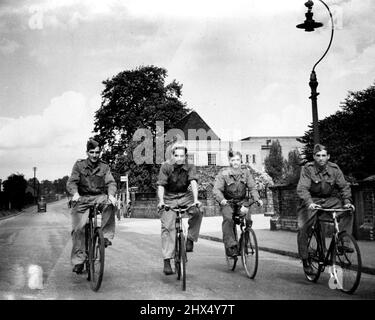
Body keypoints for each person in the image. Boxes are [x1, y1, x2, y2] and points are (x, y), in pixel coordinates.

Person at [296, 144, 355, 275]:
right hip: (310, 201)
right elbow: (302, 188)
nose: (321, 158)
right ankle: (305, 260)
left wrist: (347, 202)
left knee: (348, 210)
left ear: (328, 157)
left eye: (323, 155)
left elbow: (344, 187)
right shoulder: (308, 169)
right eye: (318, 156)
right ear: (314, 157)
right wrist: (309, 202)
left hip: (328, 201)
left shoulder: (334, 169)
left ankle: (343, 242)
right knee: (303, 228)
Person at [67, 138, 118, 274]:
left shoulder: (104, 166)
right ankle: (79, 261)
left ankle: (105, 236)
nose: (95, 155)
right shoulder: (79, 165)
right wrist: (75, 194)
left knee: (110, 204)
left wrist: (111, 195)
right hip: (82, 199)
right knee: (78, 229)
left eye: (97, 152)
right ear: (87, 152)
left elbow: (111, 182)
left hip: (99, 198)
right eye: (92, 152)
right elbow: (71, 182)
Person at [157, 142, 203, 275]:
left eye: (182, 156)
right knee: (167, 227)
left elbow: (193, 182)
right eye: (176, 155)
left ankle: (190, 239)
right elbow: (161, 185)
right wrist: (161, 201)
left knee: (198, 211)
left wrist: (195, 200)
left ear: (185, 156)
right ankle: (167, 260)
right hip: (169, 197)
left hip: (185, 196)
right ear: (172, 155)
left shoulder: (190, 167)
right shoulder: (165, 167)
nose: (179, 158)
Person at [213, 151, 263, 257]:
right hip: (228, 202)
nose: (235, 162)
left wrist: (257, 199)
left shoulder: (246, 172)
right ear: (229, 161)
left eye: (237, 160)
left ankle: (243, 243)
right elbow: (217, 189)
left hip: (242, 202)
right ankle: (231, 246)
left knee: (248, 219)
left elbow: (252, 187)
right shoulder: (224, 173)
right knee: (228, 219)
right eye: (233, 160)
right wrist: (221, 200)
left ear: (240, 160)